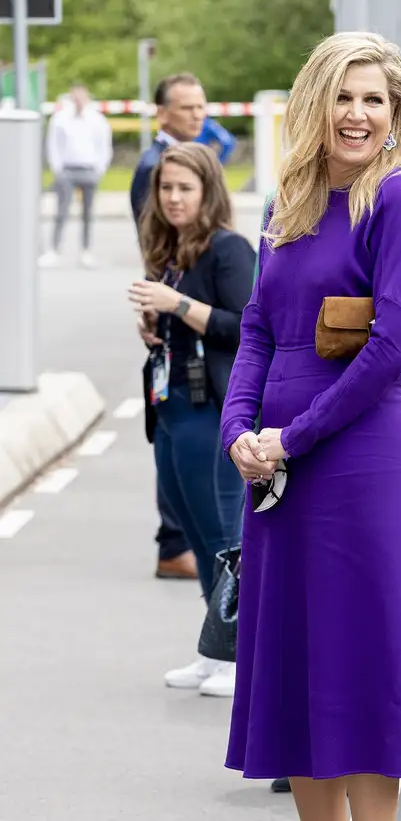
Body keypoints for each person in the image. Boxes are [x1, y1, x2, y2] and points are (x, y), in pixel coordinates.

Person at [221, 31, 401, 821]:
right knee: (295, 667)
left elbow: (394, 344)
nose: (358, 115)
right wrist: (238, 428)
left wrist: (293, 435)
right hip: (279, 472)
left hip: (356, 467)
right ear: (315, 105)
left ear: (394, 116)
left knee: (359, 668)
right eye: (344, 97)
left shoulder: (396, 199)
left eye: (375, 101)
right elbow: (258, 330)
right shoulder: (291, 202)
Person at [128, 143, 256, 694]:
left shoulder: (228, 249)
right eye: (166, 188)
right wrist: (153, 325)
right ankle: (214, 649)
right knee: (192, 524)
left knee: (222, 533)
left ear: (208, 192)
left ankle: (240, 656)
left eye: (185, 188)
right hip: (171, 406)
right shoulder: (170, 250)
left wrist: (176, 304)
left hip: (212, 410)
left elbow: (246, 327)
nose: (174, 198)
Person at [130, 73, 208, 584]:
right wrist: (163, 302)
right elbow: (155, 241)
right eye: (186, 108)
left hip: (175, 305)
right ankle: (175, 542)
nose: (198, 116)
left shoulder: (184, 157)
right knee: (175, 423)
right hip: (171, 311)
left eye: (202, 107)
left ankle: (179, 540)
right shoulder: (154, 166)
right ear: (162, 113)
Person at [39, 84, 112, 268]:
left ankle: (86, 250)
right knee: (61, 211)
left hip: (89, 169)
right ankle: (54, 249)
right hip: (67, 170)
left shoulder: (97, 120)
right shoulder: (61, 119)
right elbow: (53, 144)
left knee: (88, 212)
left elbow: (104, 145)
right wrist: (57, 168)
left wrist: (100, 168)